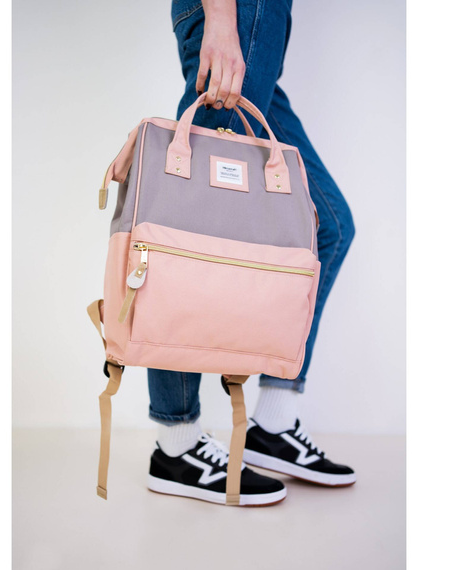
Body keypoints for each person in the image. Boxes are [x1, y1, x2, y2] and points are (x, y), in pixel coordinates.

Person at [147, 0, 356, 506]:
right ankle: (176, 444)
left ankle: (272, 424)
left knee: (327, 226)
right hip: (239, 15)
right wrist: (222, 20)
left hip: (262, 26)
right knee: (189, 234)